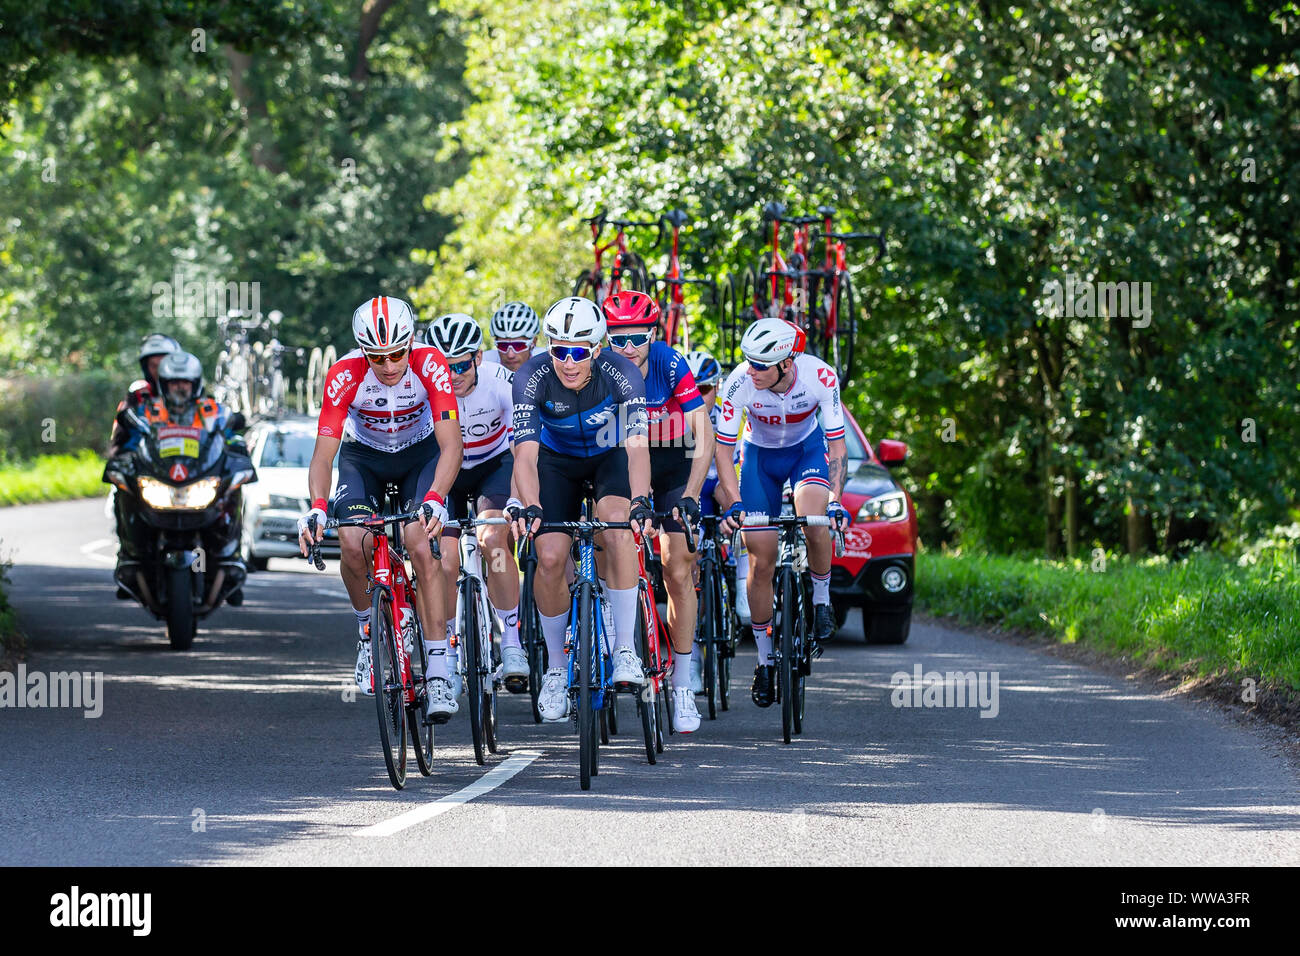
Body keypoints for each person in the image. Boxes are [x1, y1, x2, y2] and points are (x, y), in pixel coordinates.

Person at [296, 295, 465, 723]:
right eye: (377, 357)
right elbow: (323, 455)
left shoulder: (431, 365)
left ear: (411, 344)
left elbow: (452, 446)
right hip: (364, 458)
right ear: (362, 351)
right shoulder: (344, 375)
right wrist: (317, 506)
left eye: (396, 354)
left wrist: (435, 498)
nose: (389, 366)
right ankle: (367, 633)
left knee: (420, 543)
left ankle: (440, 671)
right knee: (352, 541)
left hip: (420, 456)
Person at [507, 296, 654, 723]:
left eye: (578, 352)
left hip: (610, 459)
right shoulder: (531, 377)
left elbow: (638, 446)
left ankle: (624, 648)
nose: (568, 362)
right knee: (550, 556)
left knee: (616, 529)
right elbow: (525, 457)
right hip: (556, 464)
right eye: (558, 350)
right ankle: (555, 667)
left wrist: (641, 500)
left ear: (597, 347)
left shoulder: (622, 373)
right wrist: (531, 505)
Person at [712, 318, 851, 709]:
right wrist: (735, 501)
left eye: (761, 365)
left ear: (787, 363)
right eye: (748, 361)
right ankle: (764, 661)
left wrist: (836, 499)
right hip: (759, 460)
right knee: (760, 557)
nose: (751, 369)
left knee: (814, 518)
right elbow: (724, 450)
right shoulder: (740, 382)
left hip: (806, 454)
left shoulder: (820, 377)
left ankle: (822, 600)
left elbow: (837, 449)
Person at [601, 291, 714, 733]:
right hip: (623, 458)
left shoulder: (670, 363)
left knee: (678, 565)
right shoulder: (601, 369)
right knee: (603, 537)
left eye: (636, 338)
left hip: (673, 462)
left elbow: (702, 433)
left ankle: (683, 684)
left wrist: (689, 494)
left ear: (653, 334)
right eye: (617, 339)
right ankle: (609, 618)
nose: (627, 349)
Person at [422, 313, 529, 694]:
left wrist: (517, 497)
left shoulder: (504, 383)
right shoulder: (425, 387)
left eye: (461, 365)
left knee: (492, 541)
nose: (452, 374)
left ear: (479, 358)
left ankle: (512, 642)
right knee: (445, 559)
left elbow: (522, 447)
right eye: (445, 366)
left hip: (493, 467)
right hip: (446, 472)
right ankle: (449, 653)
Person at [115, 351, 252, 600]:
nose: (180, 387)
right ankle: (130, 554)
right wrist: (125, 455)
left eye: (185, 382)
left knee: (235, 484)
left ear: (195, 383)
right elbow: (132, 438)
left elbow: (229, 430)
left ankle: (231, 556)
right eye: (174, 382)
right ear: (163, 384)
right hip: (160, 480)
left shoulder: (210, 409)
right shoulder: (149, 410)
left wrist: (237, 444)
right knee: (122, 484)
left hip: (200, 479)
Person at [682, 348, 751, 691]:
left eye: (706, 388)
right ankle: (692, 654)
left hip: (723, 482)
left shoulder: (729, 412)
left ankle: (742, 573)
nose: (700, 395)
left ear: (717, 386)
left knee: (738, 503)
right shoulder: (674, 414)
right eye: (693, 388)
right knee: (689, 562)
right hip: (692, 488)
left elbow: (743, 460)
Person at [107, 333, 182, 458]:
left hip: (190, 463)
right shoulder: (138, 394)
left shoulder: (190, 393)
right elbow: (119, 441)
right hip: (148, 465)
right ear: (146, 368)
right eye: (153, 366)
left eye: (163, 364)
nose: (159, 371)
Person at [483, 302, 546, 372]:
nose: (510, 355)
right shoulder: (484, 363)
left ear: (533, 343)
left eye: (518, 346)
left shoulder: (548, 363)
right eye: (503, 346)